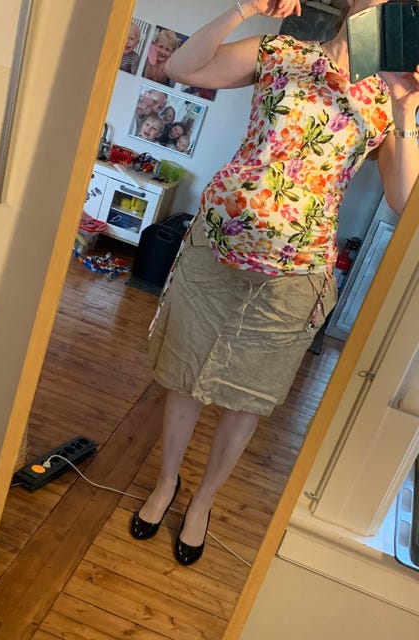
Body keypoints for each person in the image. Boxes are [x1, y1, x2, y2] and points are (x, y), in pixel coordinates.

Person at [129, 0, 419, 567]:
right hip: (215, 249)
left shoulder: (390, 100)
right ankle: (166, 482)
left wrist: (407, 109)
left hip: (295, 276)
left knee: (247, 398)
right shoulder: (281, 53)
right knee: (184, 375)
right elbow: (182, 68)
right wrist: (243, 9)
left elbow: (404, 200)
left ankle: (203, 501)